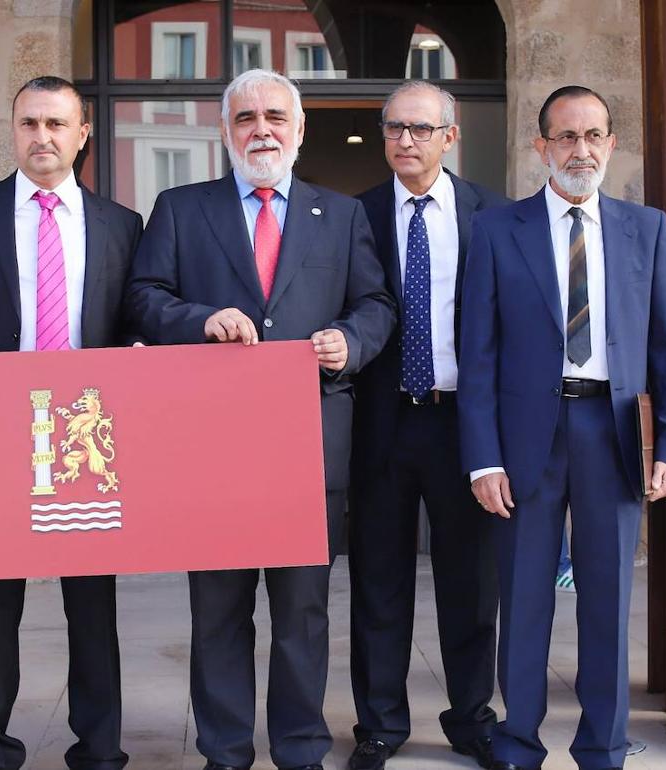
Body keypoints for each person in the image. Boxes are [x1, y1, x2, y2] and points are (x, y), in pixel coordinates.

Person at [125, 68, 395, 770]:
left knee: (303, 614)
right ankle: (223, 748)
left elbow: (375, 305)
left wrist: (352, 341)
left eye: (276, 116)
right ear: (225, 131)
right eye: (246, 118)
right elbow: (144, 298)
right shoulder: (183, 208)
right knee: (218, 612)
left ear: (300, 130)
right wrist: (198, 319)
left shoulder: (339, 215)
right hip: (213, 451)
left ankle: (302, 746)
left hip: (310, 447)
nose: (262, 129)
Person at [458, 85, 666, 770]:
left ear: (611, 144)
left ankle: (603, 749)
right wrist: (482, 459)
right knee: (524, 602)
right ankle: (518, 744)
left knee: (607, 604)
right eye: (565, 136)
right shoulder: (498, 230)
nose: (580, 149)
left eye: (593, 135)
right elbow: (479, 355)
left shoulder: (645, 230)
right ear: (541, 147)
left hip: (612, 432)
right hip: (527, 436)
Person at [0, 76, 143, 770]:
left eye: (56, 124)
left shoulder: (119, 224)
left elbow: (135, 320)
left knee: (92, 606)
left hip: (86, 438)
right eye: (28, 123)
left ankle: (100, 748)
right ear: (11, 131)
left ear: (82, 135)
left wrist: (139, 356)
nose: (41, 137)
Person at [346, 81, 506, 770]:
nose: (404, 140)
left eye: (419, 128)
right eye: (393, 128)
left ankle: (471, 720)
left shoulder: (490, 217)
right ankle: (380, 726)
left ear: (450, 136)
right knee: (378, 584)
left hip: (462, 427)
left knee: (470, 584)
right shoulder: (355, 216)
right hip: (380, 425)